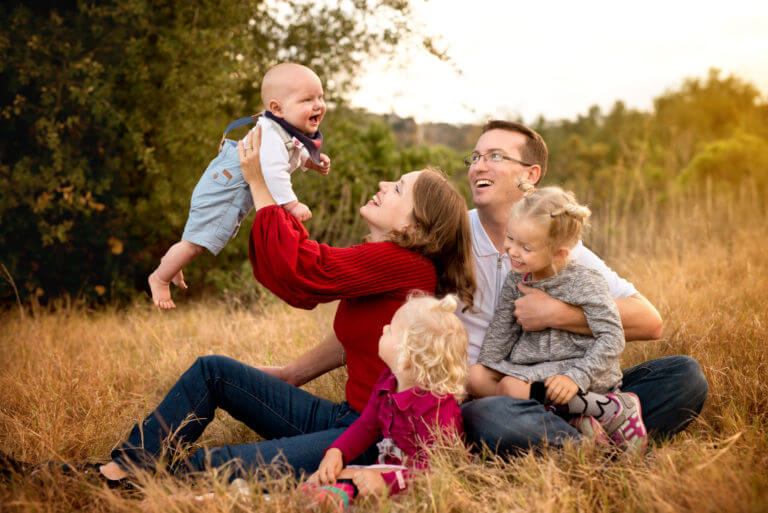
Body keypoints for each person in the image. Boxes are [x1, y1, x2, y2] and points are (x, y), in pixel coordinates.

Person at [97, 127, 476, 484]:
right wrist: (293, 374)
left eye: (397, 188)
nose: (382, 185)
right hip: (345, 418)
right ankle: (123, 468)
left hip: (371, 439)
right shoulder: (389, 261)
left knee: (213, 465)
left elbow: (307, 270)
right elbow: (356, 335)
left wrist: (262, 186)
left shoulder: (403, 263)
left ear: (418, 227)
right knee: (213, 372)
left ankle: (122, 478)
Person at [458, 120, 708, 453]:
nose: (479, 166)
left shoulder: (565, 251)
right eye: (474, 157)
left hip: (573, 381)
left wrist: (557, 314)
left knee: (684, 376)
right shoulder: (453, 233)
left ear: (530, 175)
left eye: (495, 156)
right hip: (497, 390)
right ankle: (599, 446)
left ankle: (575, 440)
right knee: (487, 417)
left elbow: (650, 321)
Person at [467, 185, 647, 455]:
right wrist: (487, 370)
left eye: (525, 247)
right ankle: (574, 420)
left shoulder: (585, 282)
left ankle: (608, 409)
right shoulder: (517, 276)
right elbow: (501, 330)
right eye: (510, 239)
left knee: (509, 388)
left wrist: (575, 378)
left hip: (581, 371)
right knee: (476, 377)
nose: (512, 252)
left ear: (559, 253)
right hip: (535, 368)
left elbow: (612, 338)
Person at [149, 63, 331, 309]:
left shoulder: (287, 129)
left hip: (233, 184)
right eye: (308, 99)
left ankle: (173, 265)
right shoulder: (272, 134)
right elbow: (273, 171)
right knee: (195, 244)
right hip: (226, 185)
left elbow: (293, 154)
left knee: (196, 243)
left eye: (320, 96)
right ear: (277, 108)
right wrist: (292, 204)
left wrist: (310, 163)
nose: (318, 104)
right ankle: (159, 277)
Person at [302, 293, 467, 508]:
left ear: (407, 356)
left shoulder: (436, 407)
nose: (383, 329)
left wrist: (384, 482)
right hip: (387, 470)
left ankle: (324, 501)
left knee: (348, 483)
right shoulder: (387, 382)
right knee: (325, 477)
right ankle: (301, 498)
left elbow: (437, 472)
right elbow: (366, 426)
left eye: (391, 330)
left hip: (413, 485)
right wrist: (337, 451)